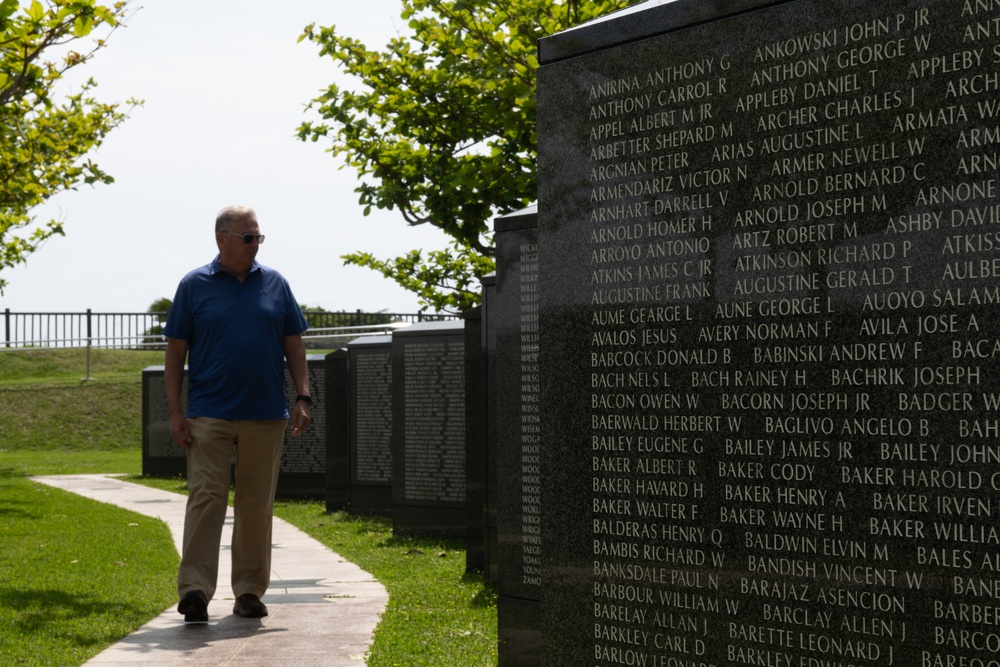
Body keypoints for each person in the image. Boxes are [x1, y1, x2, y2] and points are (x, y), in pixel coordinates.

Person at [164, 205, 311, 623]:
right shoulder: (193, 285)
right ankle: (194, 589)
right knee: (206, 497)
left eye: (258, 238)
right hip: (209, 413)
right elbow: (175, 354)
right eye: (247, 237)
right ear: (221, 239)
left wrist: (303, 397)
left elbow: (295, 345)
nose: (254, 245)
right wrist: (176, 413)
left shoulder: (276, 284)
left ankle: (248, 591)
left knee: (255, 504)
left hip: (266, 414)